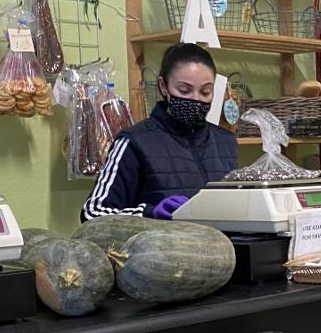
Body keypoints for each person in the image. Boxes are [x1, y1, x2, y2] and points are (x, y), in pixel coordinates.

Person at [81, 43, 238, 221]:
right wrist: (150, 213)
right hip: (158, 247)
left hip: (220, 247)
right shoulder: (134, 142)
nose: (196, 99)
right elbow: (92, 213)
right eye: (184, 90)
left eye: (205, 91)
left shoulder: (226, 142)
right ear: (163, 86)